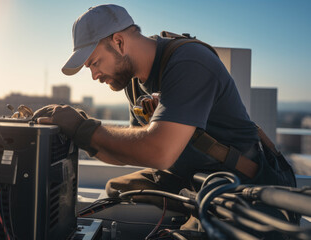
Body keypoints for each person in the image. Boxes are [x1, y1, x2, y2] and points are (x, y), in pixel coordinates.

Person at [34, 3, 297, 228]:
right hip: (187, 176)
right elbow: (130, 149)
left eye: (94, 62)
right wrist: (81, 135)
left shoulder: (189, 61)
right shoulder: (135, 83)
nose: (94, 75)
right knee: (116, 192)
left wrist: (85, 130)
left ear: (119, 42)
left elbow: (159, 152)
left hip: (233, 184)